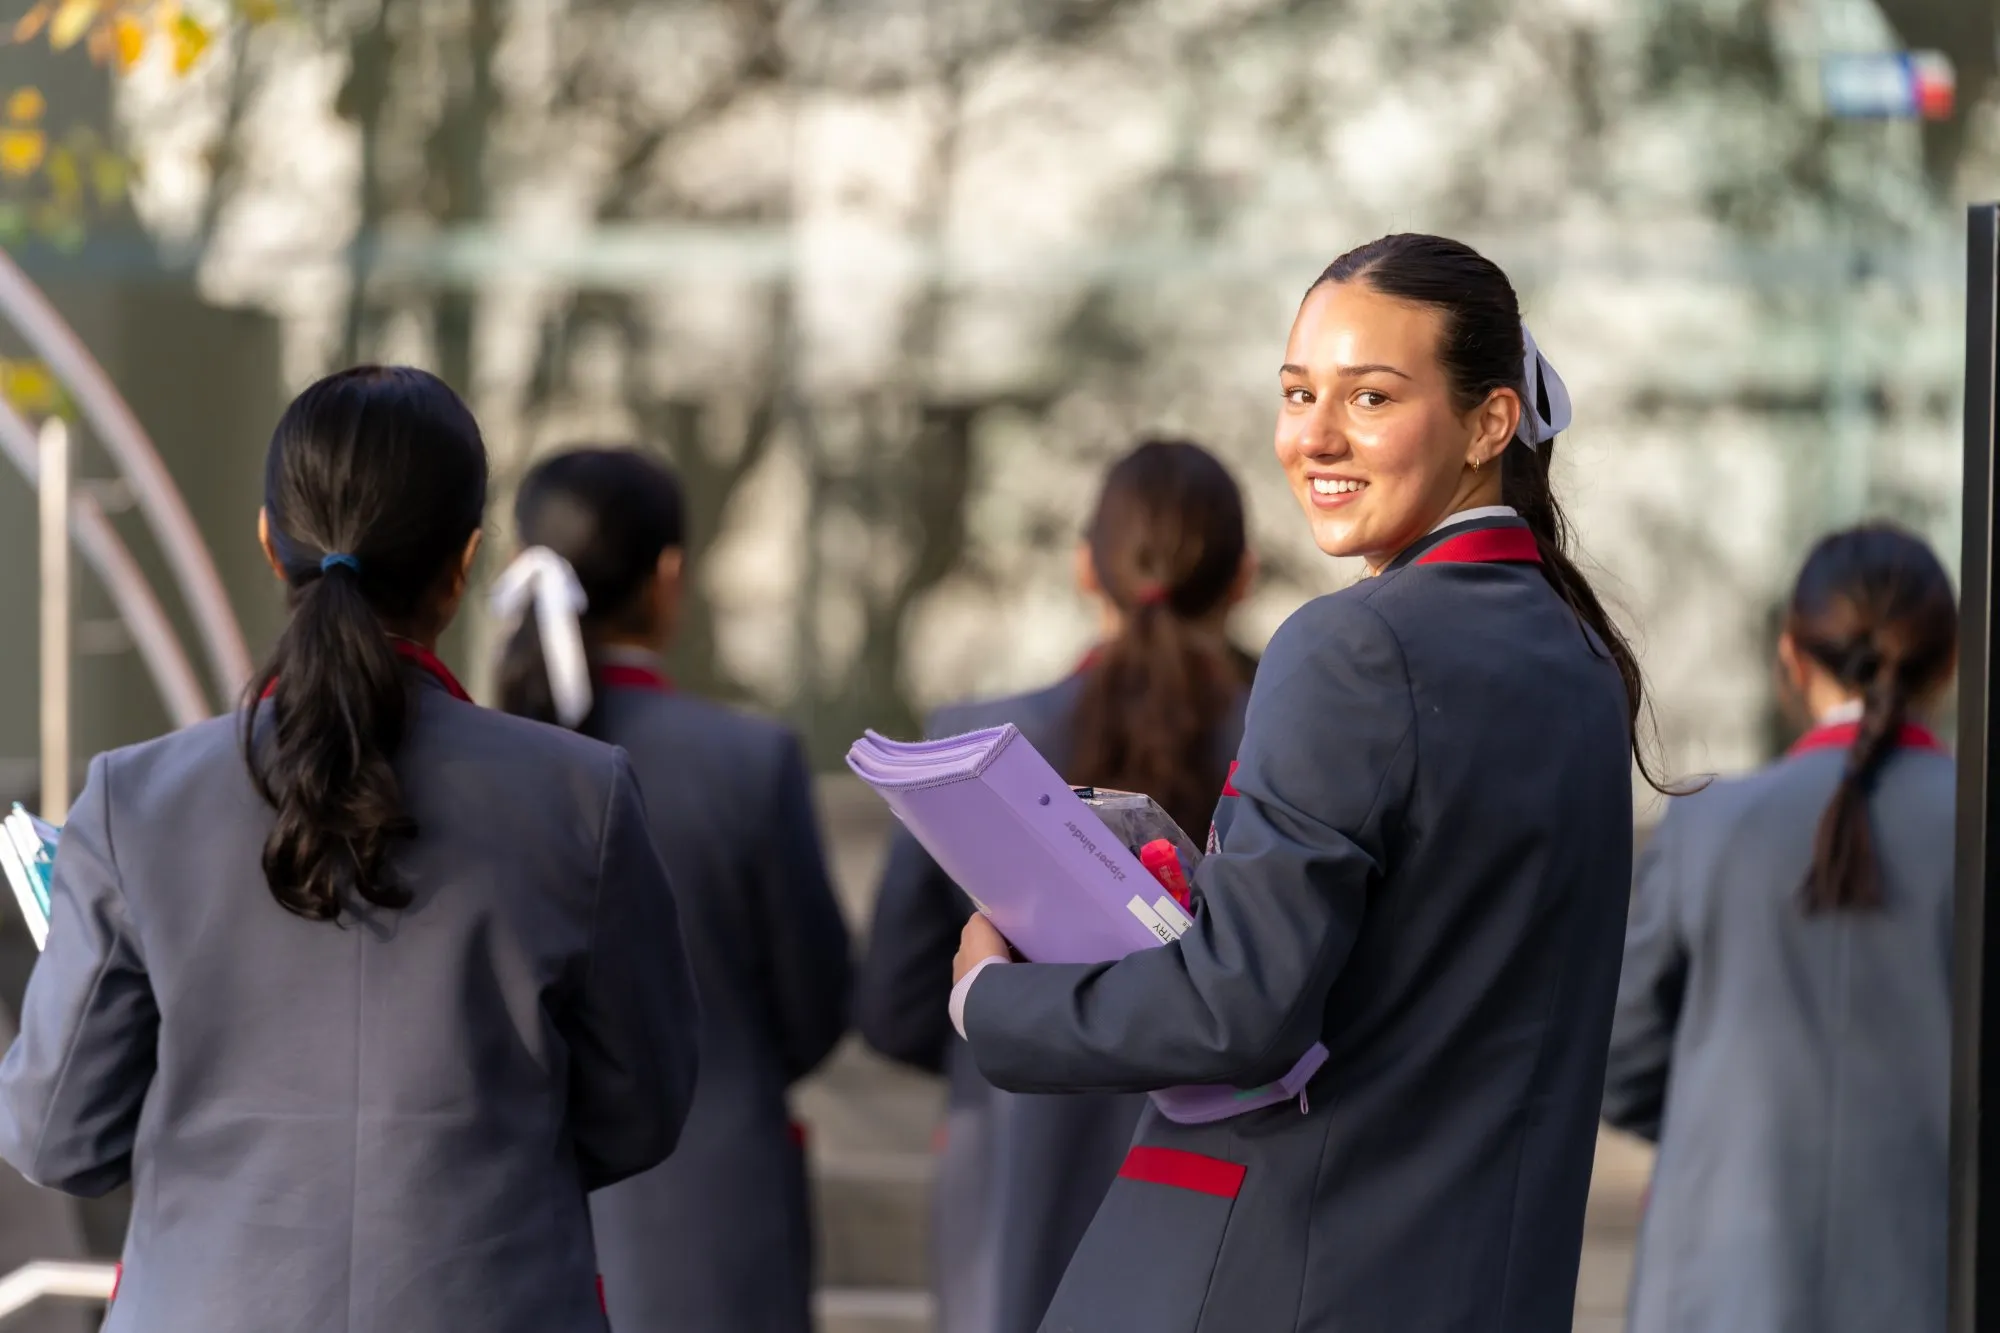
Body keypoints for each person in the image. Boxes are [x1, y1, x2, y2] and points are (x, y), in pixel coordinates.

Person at [947, 234, 1647, 1332]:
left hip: (1280, 1275)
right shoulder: (1580, 658)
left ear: (1488, 423)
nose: (1313, 435)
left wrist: (992, 1001)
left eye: (1369, 396)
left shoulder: (1349, 644)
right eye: (1295, 392)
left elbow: (1242, 1009)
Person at [0, 366, 700, 1333]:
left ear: (265, 541)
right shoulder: (584, 797)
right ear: (463, 563)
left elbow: (56, 1134)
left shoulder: (133, 801)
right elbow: (641, 1112)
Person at [857, 438, 1256, 1333]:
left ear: (1087, 568)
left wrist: (1013, 1043)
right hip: (1229, 1197)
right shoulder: (1291, 752)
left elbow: (892, 1004)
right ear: (1244, 575)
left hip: (1011, 1193)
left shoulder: (966, 749)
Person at [495, 446, 851, 1333]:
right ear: (668, 576)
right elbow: (814, 1006)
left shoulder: (472, 768)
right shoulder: (746, 762)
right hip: (709, 1215)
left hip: (502, 1205)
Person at [1603, 525, 1957, 1333]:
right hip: (1934, 1272)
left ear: (1792, 658)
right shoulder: (1968, 828)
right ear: (1949, 660)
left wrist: (1723, 1121)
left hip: (1721, 1278)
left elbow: (1619, 1054)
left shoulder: (1707, 827)